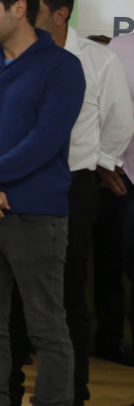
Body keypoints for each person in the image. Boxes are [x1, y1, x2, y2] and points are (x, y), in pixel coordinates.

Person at [5, 0, 133, 406]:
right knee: (14, 290)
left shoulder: (98, 59)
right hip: (18, 185)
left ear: (60, 15)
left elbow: (119, 122)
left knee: (68, 290)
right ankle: (9, 388)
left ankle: (72, 391)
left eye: (34, 8)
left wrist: (99, 160)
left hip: (71, 186)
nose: (23, 14)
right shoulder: (13, 55)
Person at [0, 0, 85, 406]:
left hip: (36, 216)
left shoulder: (62, 67)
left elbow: (45, 141)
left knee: (46, 327)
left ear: (19, 9)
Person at [94, 29, 134, 368]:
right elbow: (98, 109)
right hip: (123, 176)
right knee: (111, 263)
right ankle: (110, 340)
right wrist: (104, 162)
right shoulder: (119, 49)